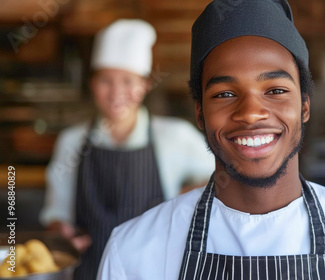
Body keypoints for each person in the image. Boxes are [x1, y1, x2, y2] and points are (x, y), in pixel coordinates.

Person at [97, 2, 325, 279]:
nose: (251, 112)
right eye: (225, 93)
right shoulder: (133, 254)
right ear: (200, 114)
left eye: (276, 90)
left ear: (305, 106)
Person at [39, 19, 214, 280]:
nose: (116, 92)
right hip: (89, 270)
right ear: (92, 83)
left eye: (127, 81)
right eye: (106, 80)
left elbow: (225, 174)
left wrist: (183, 196)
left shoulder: (174, 136)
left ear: (144, 85)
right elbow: (57, 213)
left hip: (154, 271)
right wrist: (61, 233)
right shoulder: (72, 141)